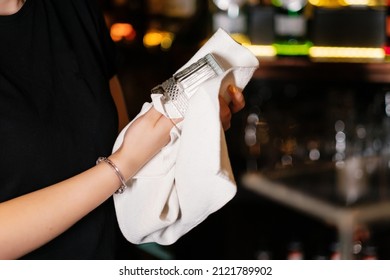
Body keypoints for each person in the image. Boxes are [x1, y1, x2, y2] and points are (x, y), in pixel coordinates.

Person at [0, 0, 246, 260]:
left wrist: (195, 125)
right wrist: (122, 164)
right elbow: (127, 157)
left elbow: (122, 146)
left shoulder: (75, 8)